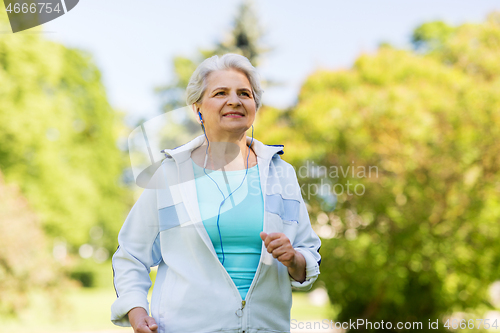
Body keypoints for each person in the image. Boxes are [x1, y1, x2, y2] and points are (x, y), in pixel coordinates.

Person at [111, 53, 321, 333]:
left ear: (254, 107)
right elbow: (131, 255)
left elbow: (308, 255)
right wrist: (137, 312)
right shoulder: (171, 175)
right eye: (220, 92)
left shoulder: (281, 174)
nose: (234, 100)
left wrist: (293, 258)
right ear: (198, 108)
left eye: (244, 93)